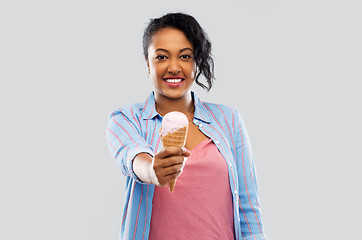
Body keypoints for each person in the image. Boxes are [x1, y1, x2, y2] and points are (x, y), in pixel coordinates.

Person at [106, 12, 267, 240]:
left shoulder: (229, 119)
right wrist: (153, 171)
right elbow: (132, 157)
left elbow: (249, 209)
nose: (173, 67)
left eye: (184, 56)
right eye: (162, 57)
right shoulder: (125, 119)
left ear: (196, 61)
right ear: (147, 62)